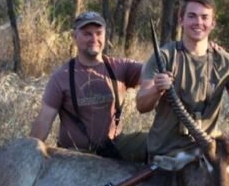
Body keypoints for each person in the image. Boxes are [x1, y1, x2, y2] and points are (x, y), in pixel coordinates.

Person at [136, 0, 229, 158]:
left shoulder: (227, 63)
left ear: (213, 23)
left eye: (204, 17)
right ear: (181, 20)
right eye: (192, 16)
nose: (198, 22)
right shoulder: (164, 57)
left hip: (207, 155)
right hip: (166, 152)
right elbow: (142, 105)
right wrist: (156, 89)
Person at [30, 11, 147, 162]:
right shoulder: (61, 77)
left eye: (99, 33)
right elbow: (44, 120)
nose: (94, 39)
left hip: (115, 145)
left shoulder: (121, 67)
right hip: (76, 153)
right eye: (87, 34)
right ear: (75, 37)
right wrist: (30, 153)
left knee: (160, 143)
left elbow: (152, 69)